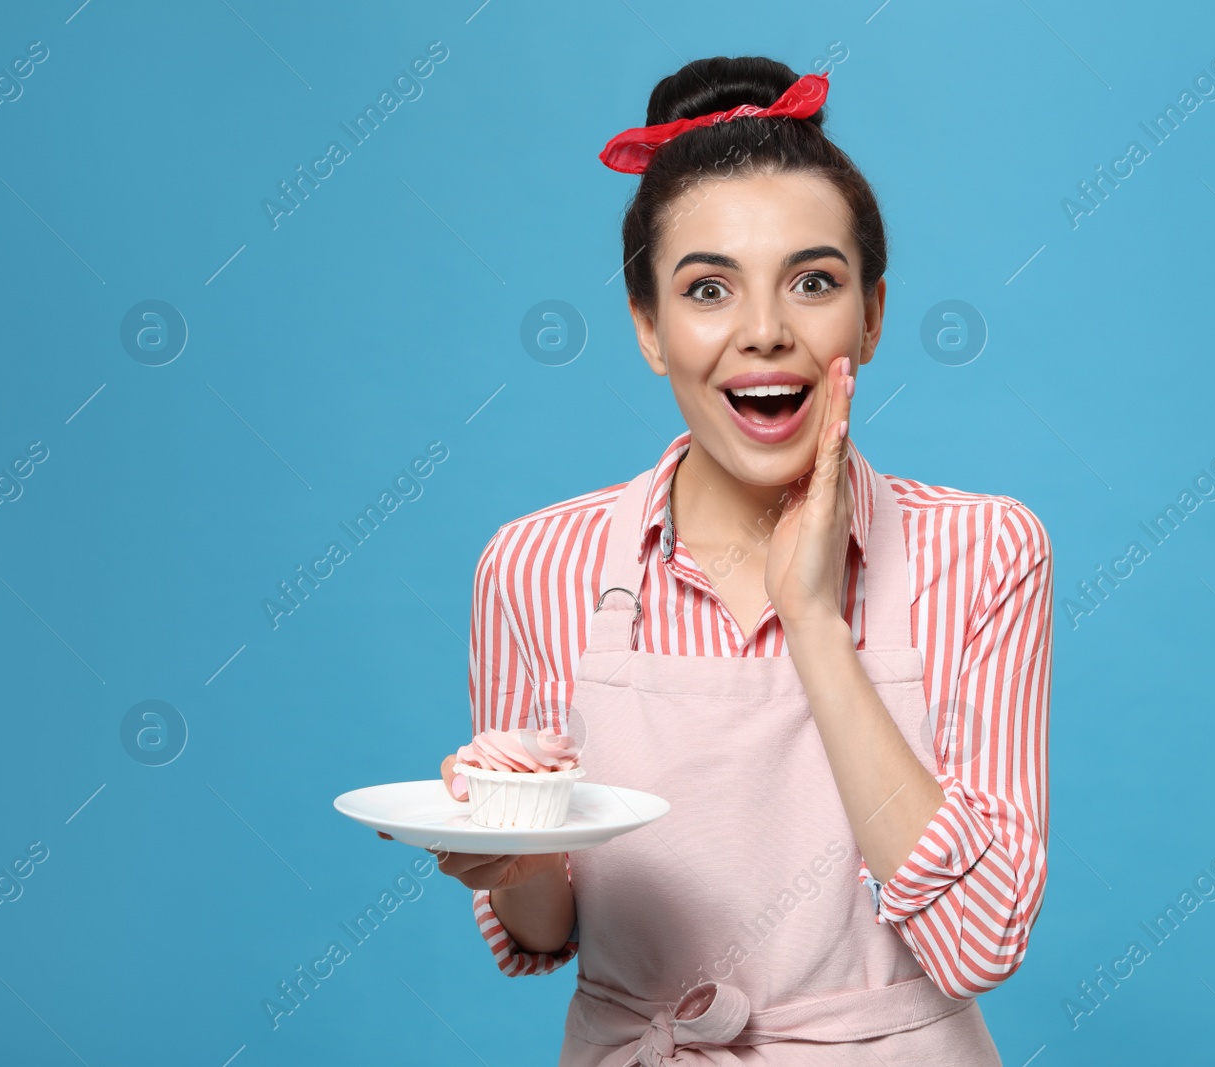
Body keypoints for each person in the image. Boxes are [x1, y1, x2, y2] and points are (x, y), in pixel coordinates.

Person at [410, 55, 1052, 1063]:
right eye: (707, 288)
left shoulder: (984, 552)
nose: (763, 332)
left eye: (813, 281)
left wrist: (812, 620)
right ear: (648, 327)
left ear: (872, 316)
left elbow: (978, 942)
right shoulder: (535, 565)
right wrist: (508, 851)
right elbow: (547, 931)